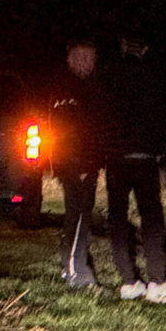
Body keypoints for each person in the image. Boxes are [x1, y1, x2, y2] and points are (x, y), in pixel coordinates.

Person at [103, 33, 166, 305]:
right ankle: (157, 280)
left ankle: (128, 281)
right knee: (151, 217)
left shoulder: (110, 78)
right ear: (145, 48)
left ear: (122, 46)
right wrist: (163, 147)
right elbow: (160, 118)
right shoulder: (151, 77)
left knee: (117, 217)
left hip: (115, 159)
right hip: (143, 156)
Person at [53, 38, 106, 289]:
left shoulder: (86, 88)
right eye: (82, 58)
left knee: (80, 215)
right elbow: (70, 132)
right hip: (76, 164)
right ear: (71, 60)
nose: (88, 63)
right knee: (78, 216)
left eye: (91, 58)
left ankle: (75, 267)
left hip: (83, 162)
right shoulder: (70, 90)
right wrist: (81, 163)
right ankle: (76, 271)